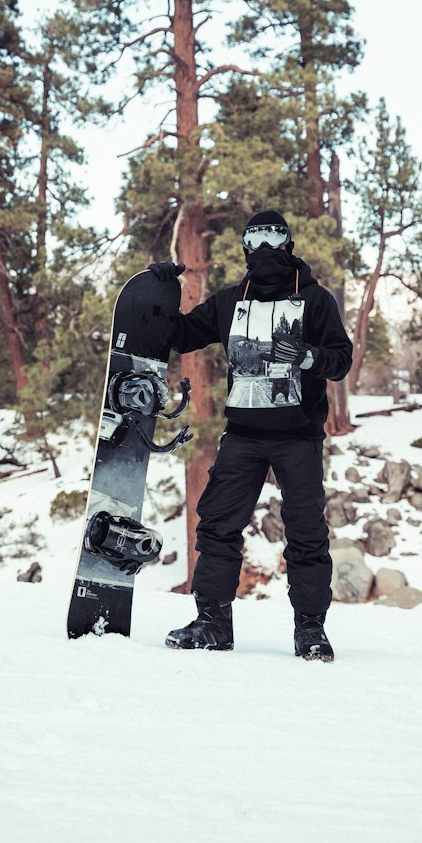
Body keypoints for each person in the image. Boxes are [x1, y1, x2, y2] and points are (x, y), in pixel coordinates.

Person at [149, 209, 353, 661]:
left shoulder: (315, 301)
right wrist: (162, 291)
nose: (263, 248)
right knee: (218, 526)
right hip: (242, 433)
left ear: (288, 243)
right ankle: (212, 623)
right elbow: (183, 335)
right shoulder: (229, 301)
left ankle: (310, 630)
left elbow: (341, 360)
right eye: (254, 237)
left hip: (298, 436)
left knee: (305, 532)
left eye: (272, 236)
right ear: (244, 246)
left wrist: (306, 357)